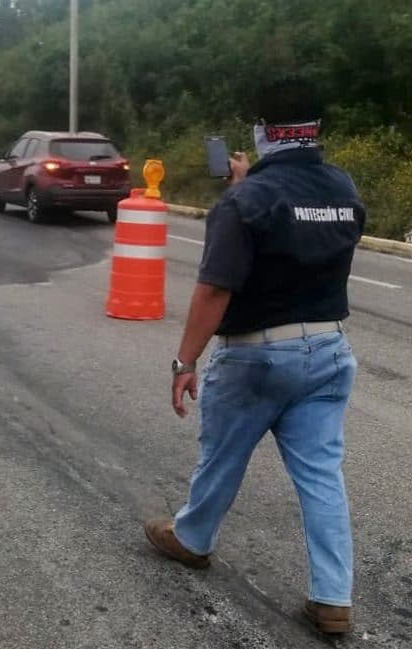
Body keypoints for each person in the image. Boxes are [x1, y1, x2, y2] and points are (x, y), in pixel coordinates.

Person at [143, 78, 365, 635]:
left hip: (258, 357)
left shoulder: (244, 202)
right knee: (321, 474)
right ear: (315, 130)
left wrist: (184, 361)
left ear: (264, 132)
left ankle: (192, 539)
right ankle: (332, 599)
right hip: (329, 348)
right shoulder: (343, 189)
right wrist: (252, 185)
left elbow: (216, 289)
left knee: (222, 456)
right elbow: (300, 225)